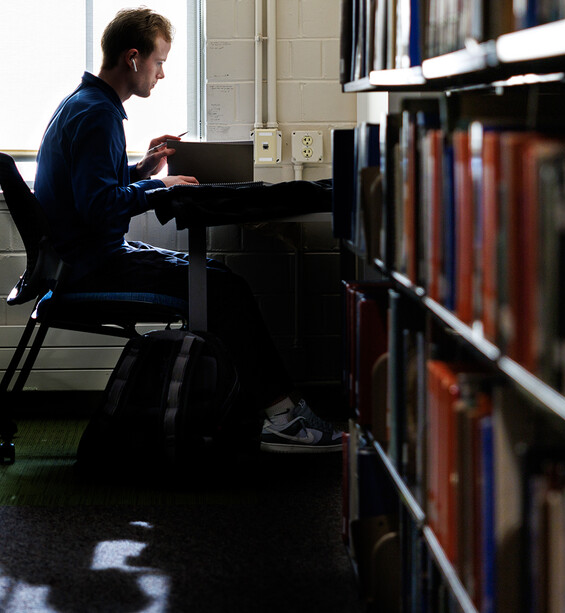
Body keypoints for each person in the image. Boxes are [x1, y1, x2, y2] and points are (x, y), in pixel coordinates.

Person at [33, 7, 342, 453]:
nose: (160, 75)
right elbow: (99, 207)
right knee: (224, 290)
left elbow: (89, 188)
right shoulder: (98, 115)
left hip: (82, 260)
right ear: (133, 58)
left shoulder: (83, 104)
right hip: (91, 267)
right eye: (159, 63)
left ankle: (271, 410)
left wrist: (139, 169)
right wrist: (157, 186)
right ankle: (282, 417)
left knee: (218, 280)